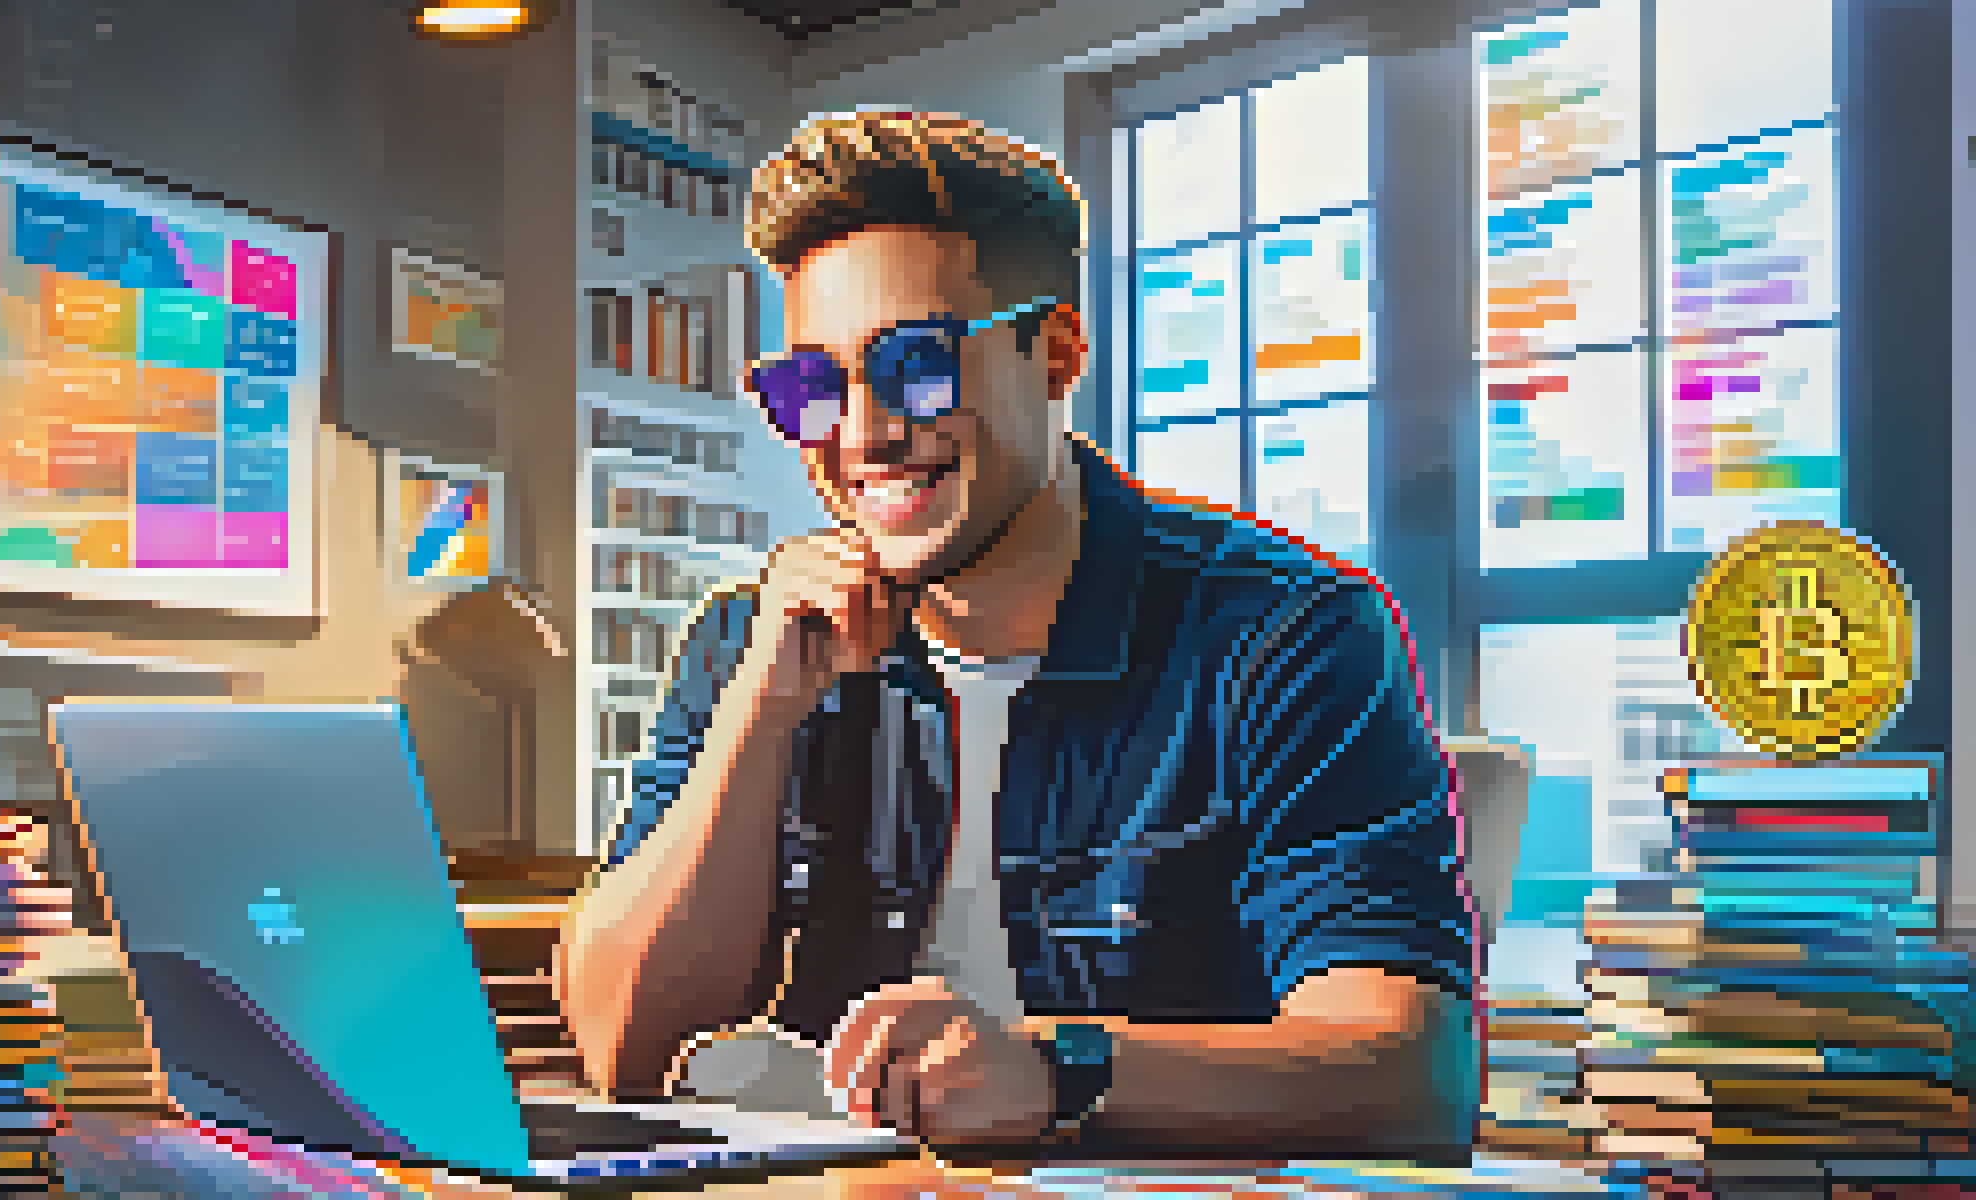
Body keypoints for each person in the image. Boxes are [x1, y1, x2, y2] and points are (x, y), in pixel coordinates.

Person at [558, 111, 1478, 1158]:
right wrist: (758, 716)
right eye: (811, 388)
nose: (863, 435)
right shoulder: (752, 640)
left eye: (918, 365)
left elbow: (1411, 1074)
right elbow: (623, 1048)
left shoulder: (1281, 635)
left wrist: (1058, 1071)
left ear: (1057, 354)